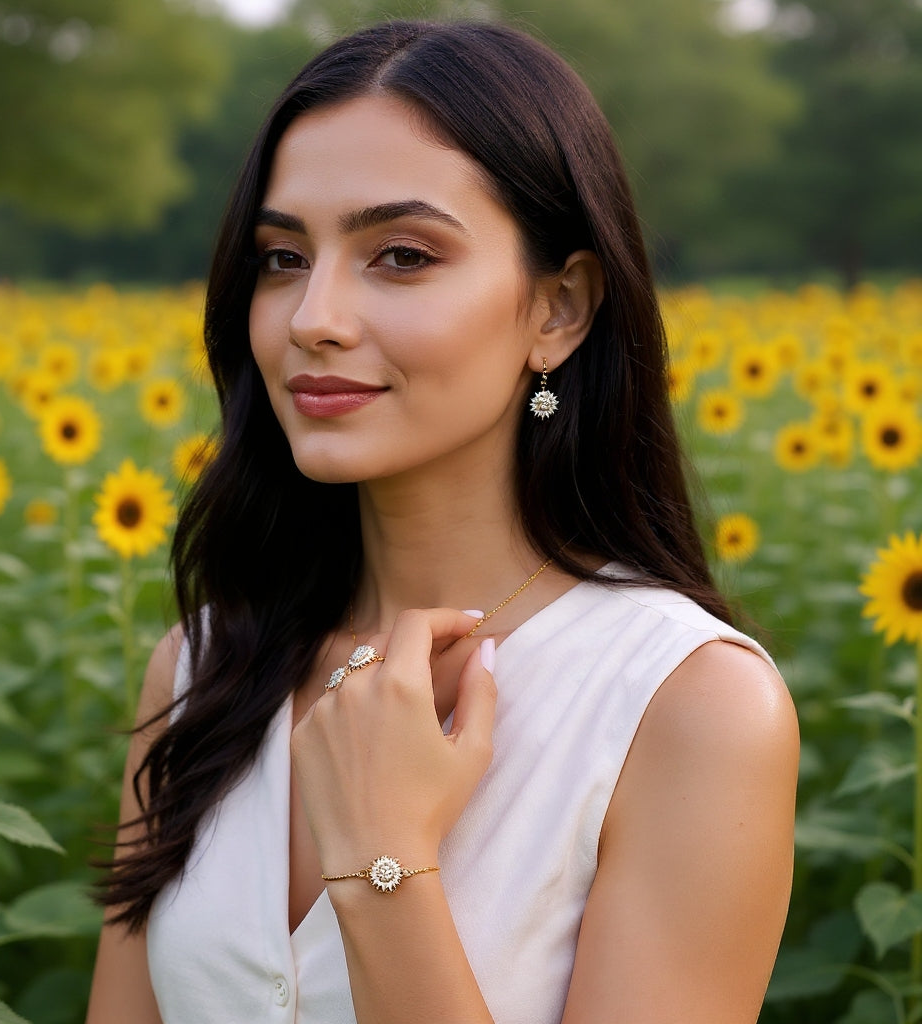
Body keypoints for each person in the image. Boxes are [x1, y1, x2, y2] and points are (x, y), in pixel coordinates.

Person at [86, 18, 799, 1024]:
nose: (311, 317)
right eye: (283, 257)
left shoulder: (683, 706)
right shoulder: (206, 666)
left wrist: (383, 854)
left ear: (559, 309)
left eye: (402, 254)